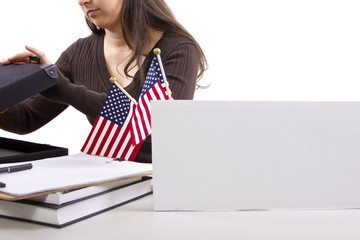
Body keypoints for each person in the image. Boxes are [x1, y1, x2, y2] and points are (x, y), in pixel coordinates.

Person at [0, 0, 207, 163]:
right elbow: (27, 118)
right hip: (103, 181)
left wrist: (64, 90)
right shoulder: (78, 54)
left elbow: (154, 126)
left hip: (160, 183)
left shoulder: (178, 48)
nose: (82, 1)